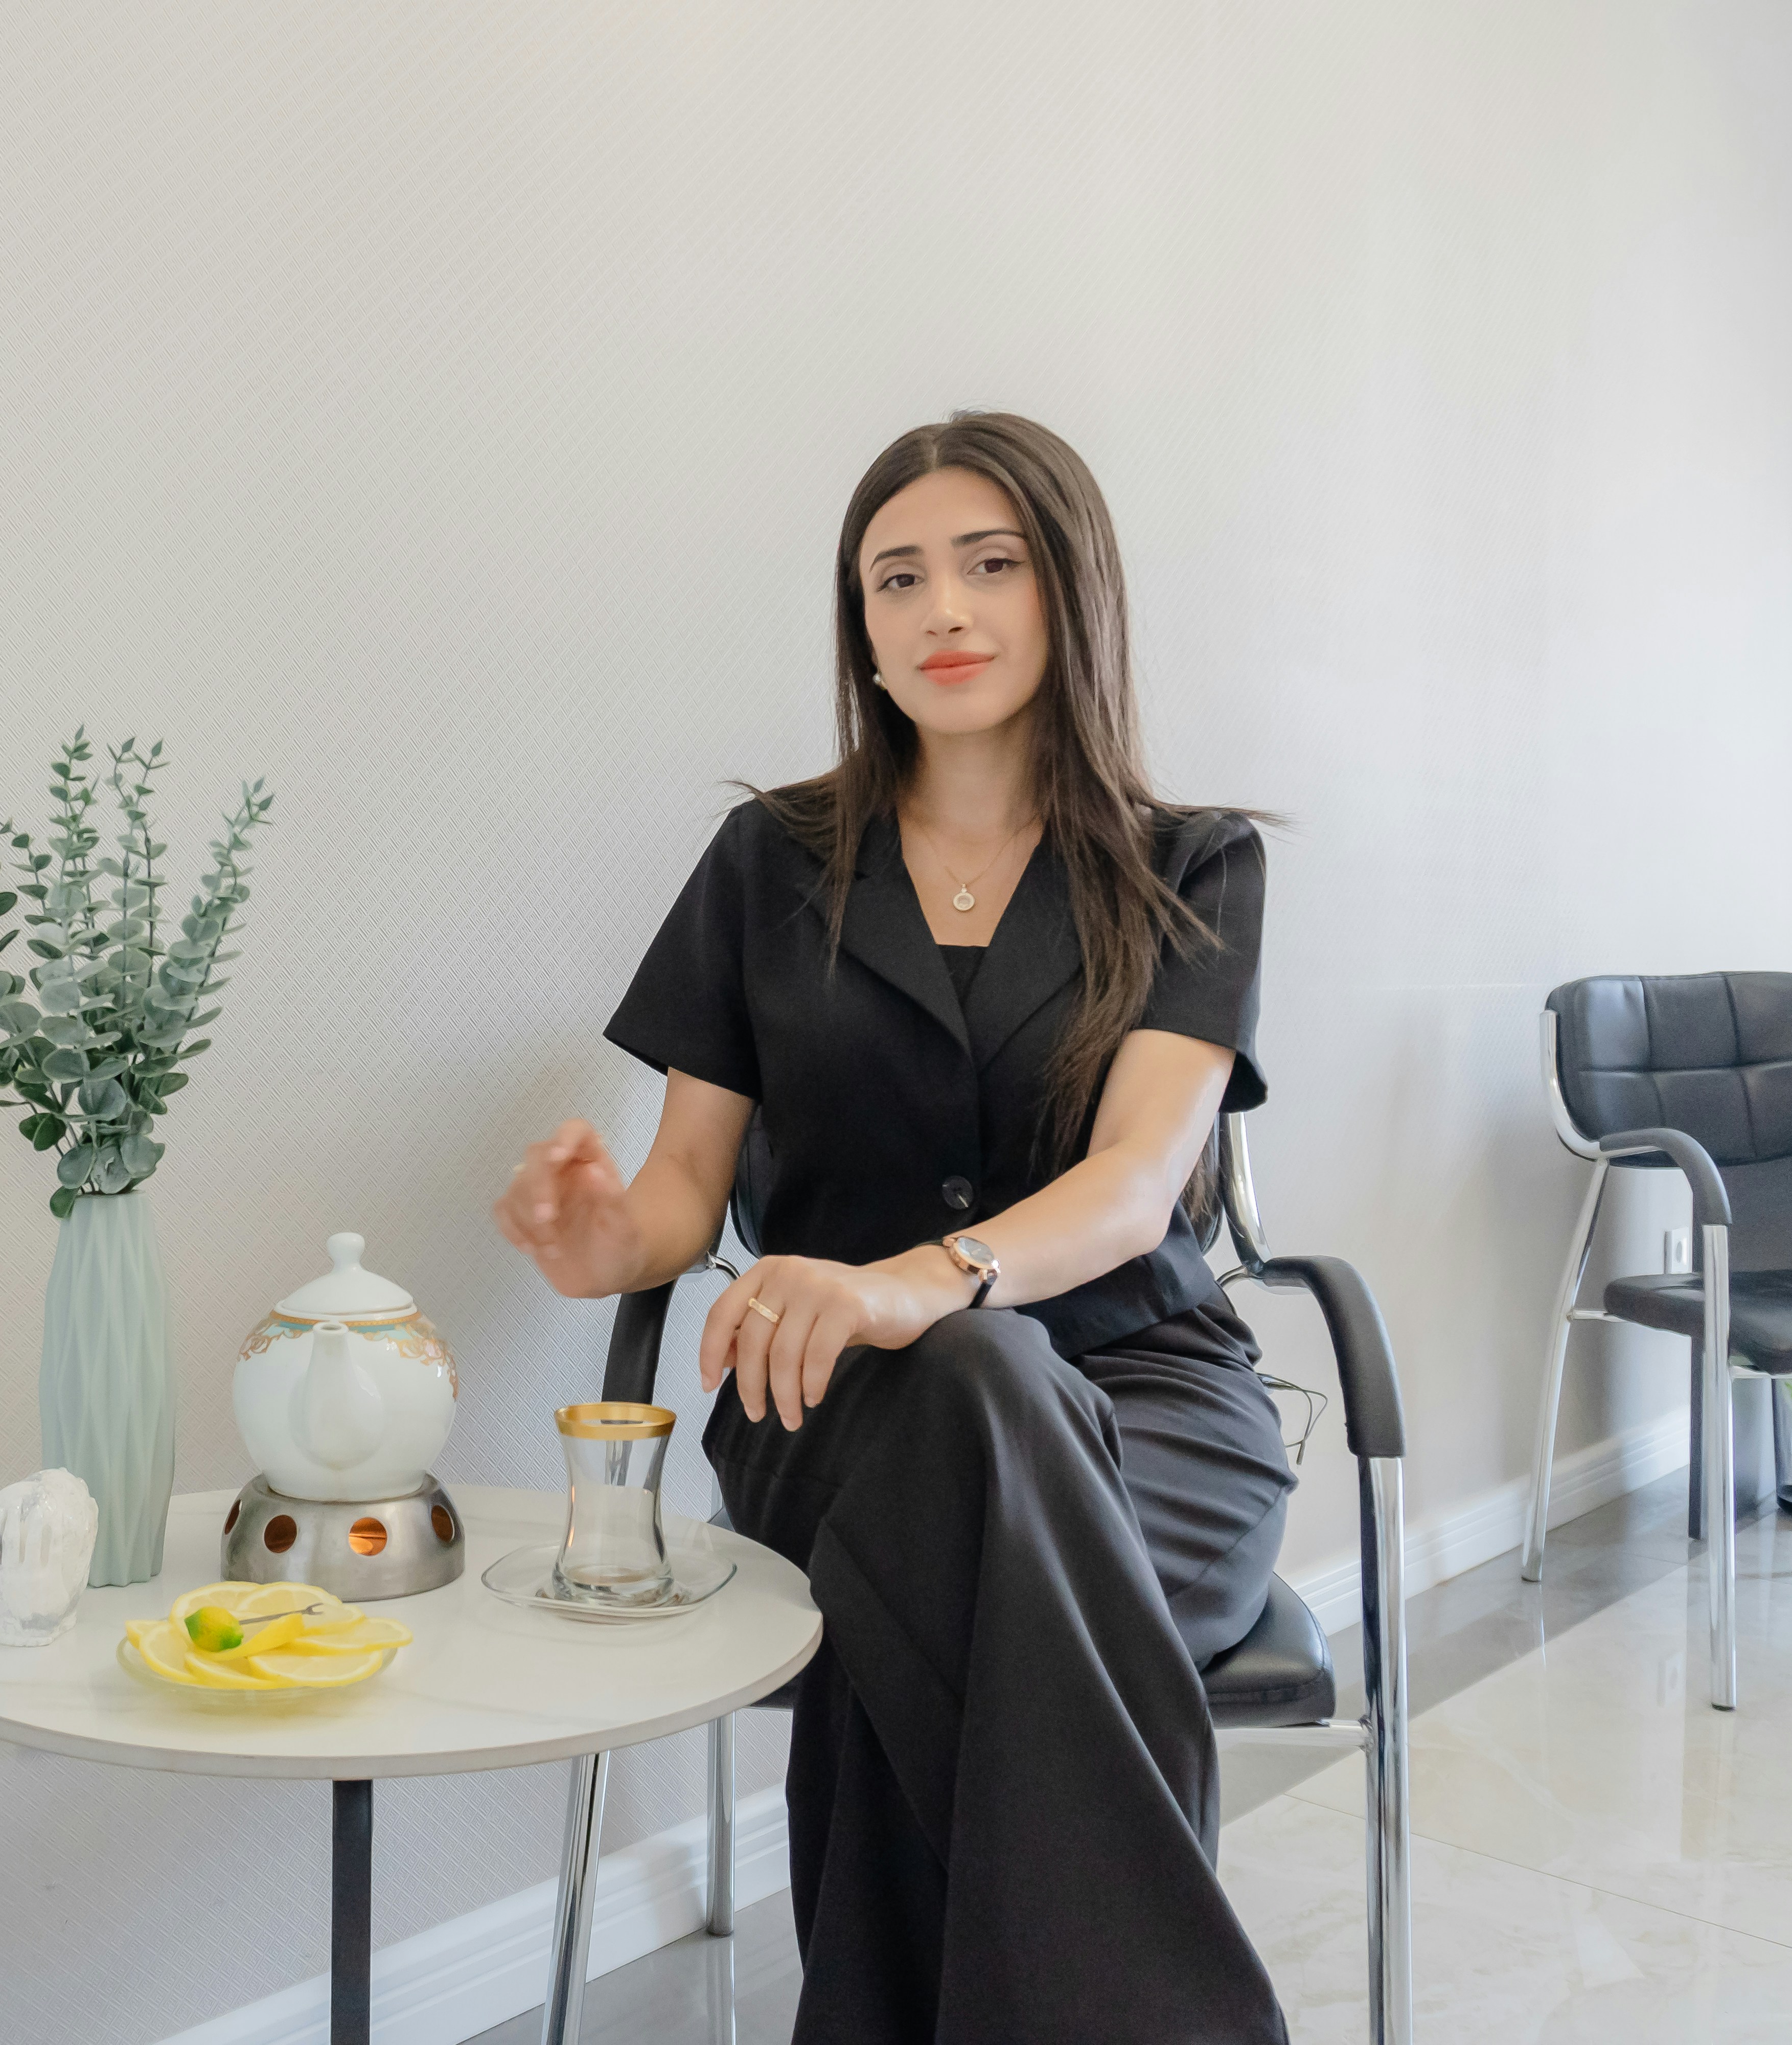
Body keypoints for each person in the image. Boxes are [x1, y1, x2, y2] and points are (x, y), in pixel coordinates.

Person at [492, 411, 1294, 2042]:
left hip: (1150, 1416)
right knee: (963, 1427)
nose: (944, 610)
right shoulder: (767, 863)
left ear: (1071, 593)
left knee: (956, 1482)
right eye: (897, 578)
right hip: (827, 1415)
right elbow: (676, 1202)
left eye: (990, 566)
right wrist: (595, 1245)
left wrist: (925, 1283)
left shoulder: (1193, 866)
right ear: (858, 623)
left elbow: (1141, 1182)